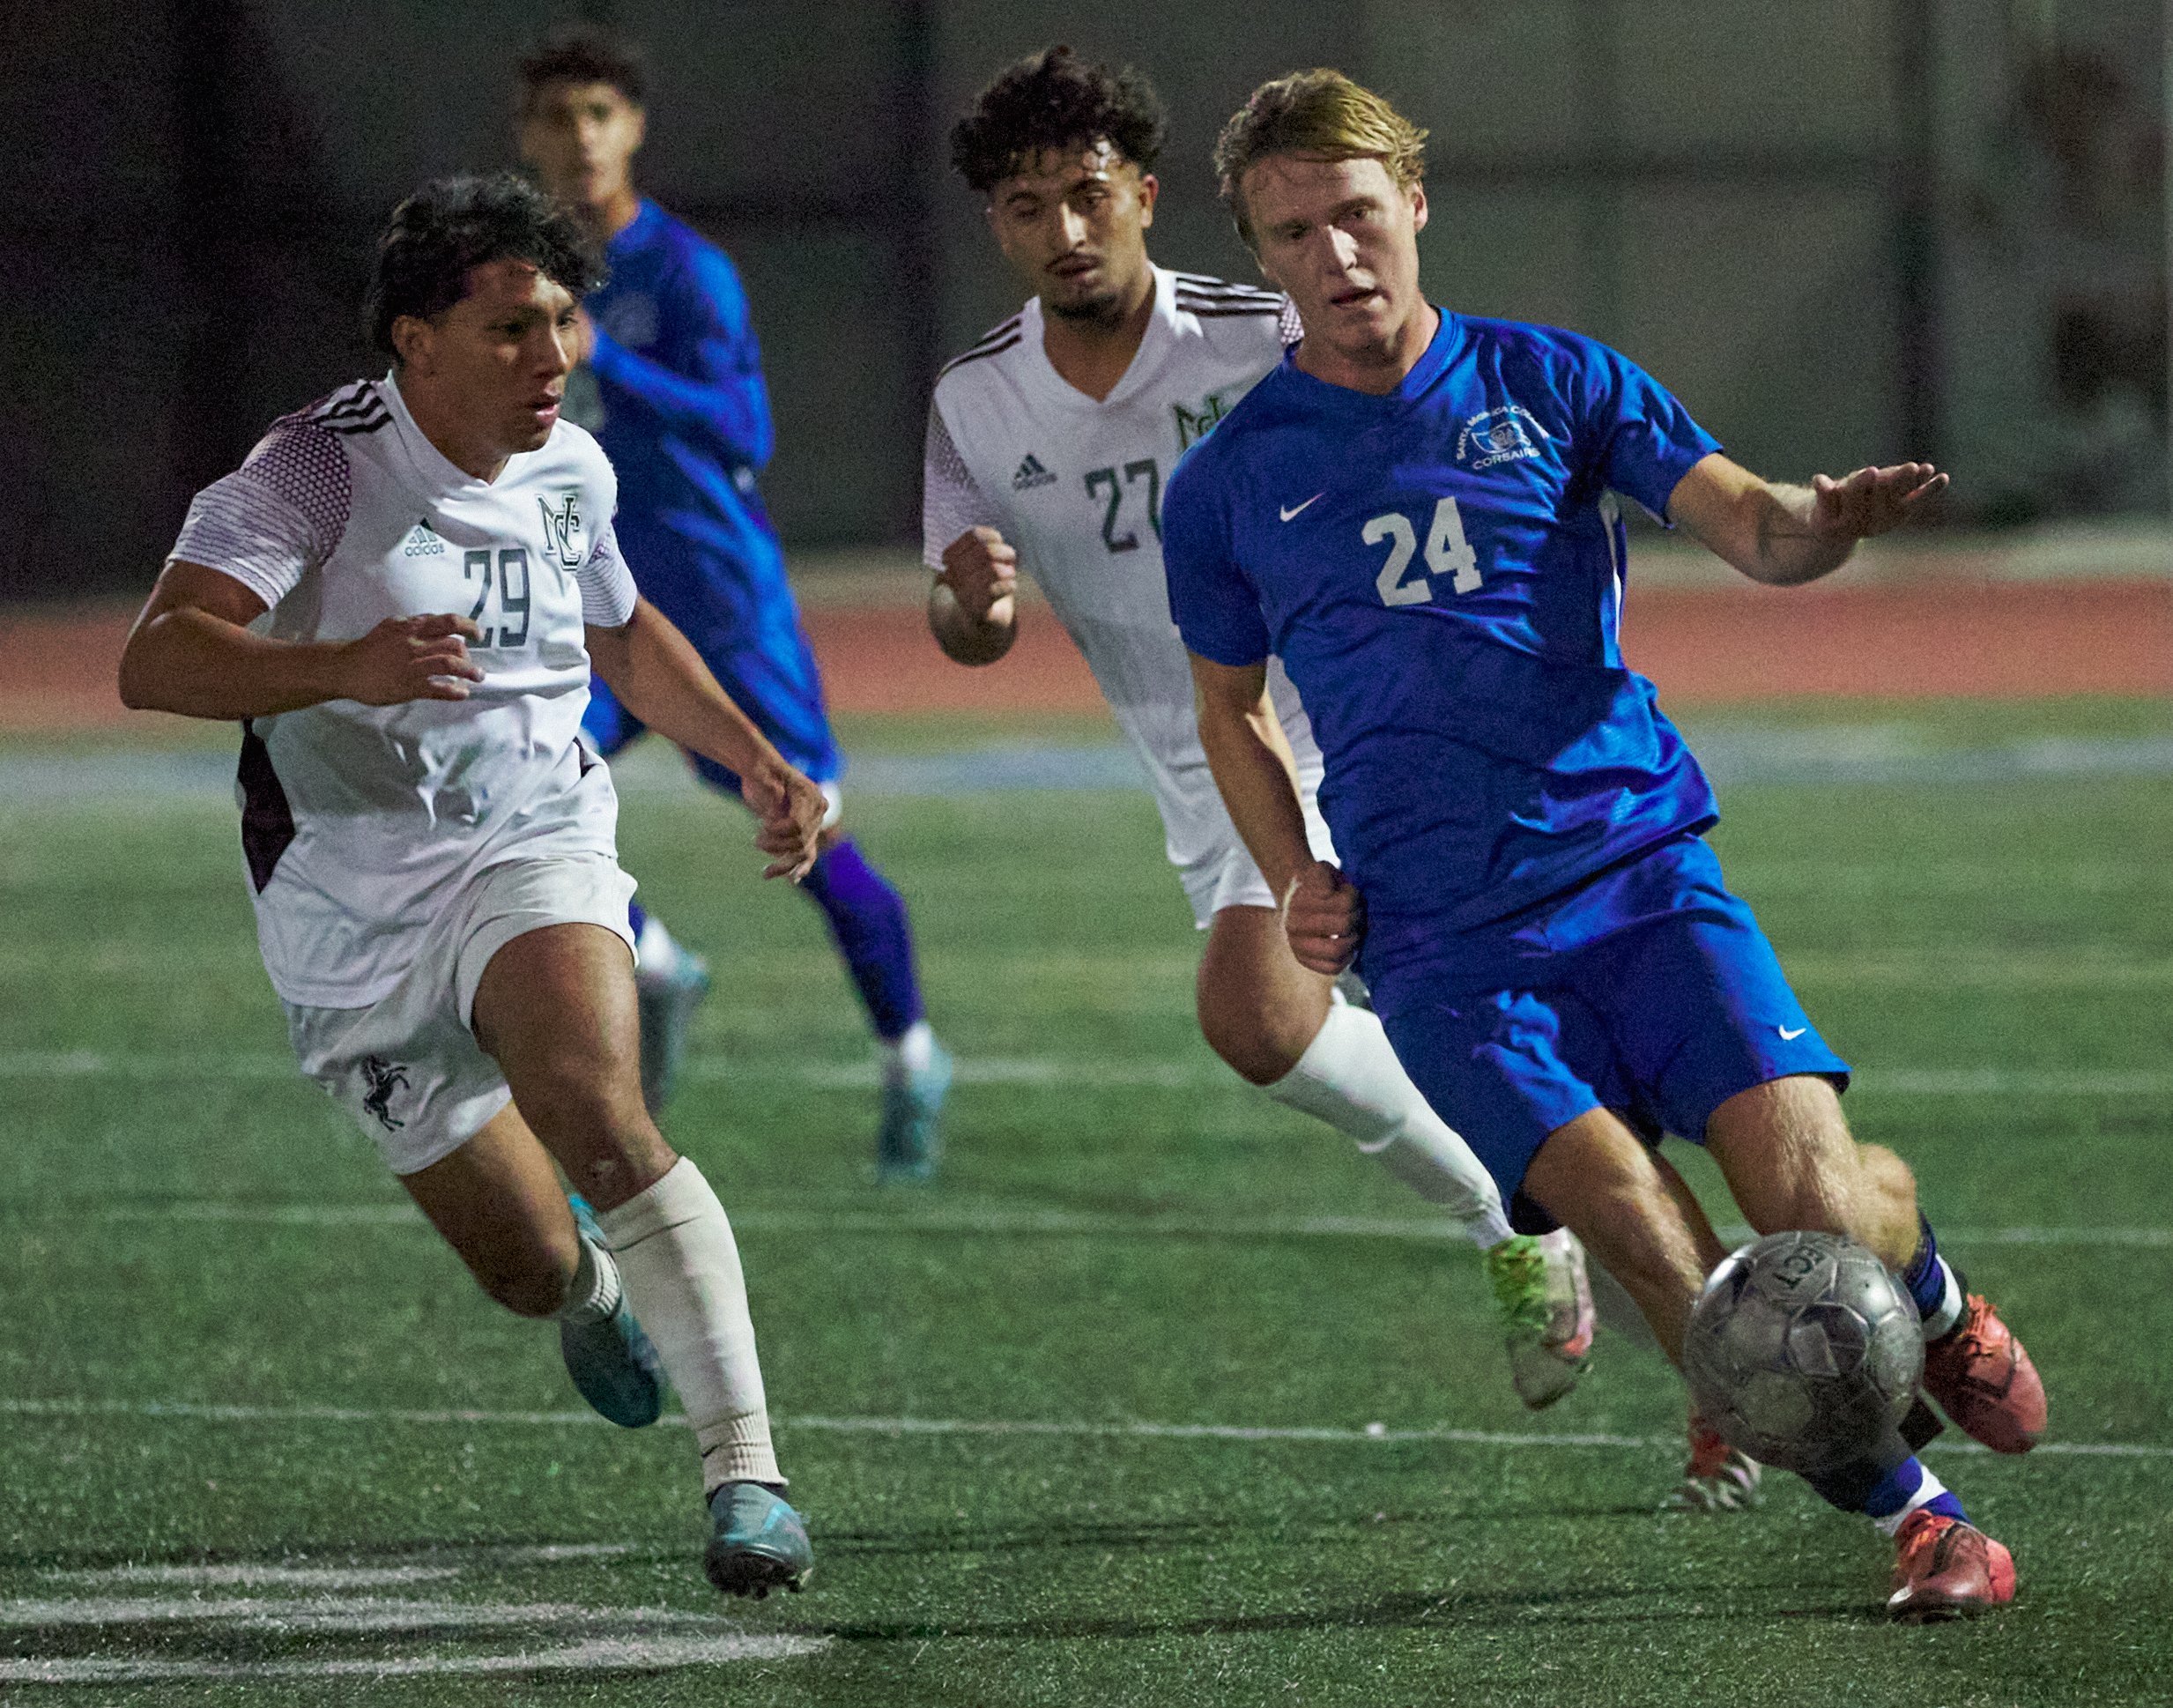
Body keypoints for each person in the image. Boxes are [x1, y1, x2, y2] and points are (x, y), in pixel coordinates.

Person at [1162, 70, 2047, 1618]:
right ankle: (1924, 1518)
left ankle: (1938, 1297)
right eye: (1293, 233)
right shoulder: (1233, 480)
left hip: (1640, 876)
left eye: (1357, 215)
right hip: (1442, 948)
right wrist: (1297, 869)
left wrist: (1818, 521)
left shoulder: (1555, 381)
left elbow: (1750, 525)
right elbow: (1226, 710)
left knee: (1821, 1211)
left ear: (1414, 206)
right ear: (1261, 253)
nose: (1336, 255)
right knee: (1669, 1259)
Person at [118, 173, 821, 1600]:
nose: (551, 357)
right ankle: (590, 1291)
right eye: (509, 329)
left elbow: (620, 639)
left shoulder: (574, 467)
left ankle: (746, 1470)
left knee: (599, 1108)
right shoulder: (310, 471)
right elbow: (159, 656)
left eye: (562, 319)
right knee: (522, 1262)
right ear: (413, 342)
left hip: (530, 837)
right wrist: (337, 666)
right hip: (348, 899)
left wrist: (754, 755)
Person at [923, 48, 1594, 1409]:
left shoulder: (1254, 329)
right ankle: (1559, 1217)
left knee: (1256, 1009)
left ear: (1145, 196)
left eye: (1084, 194)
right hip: (1197, 761)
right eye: (1022, 206)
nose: (1059, 230)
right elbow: (964, 625)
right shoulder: (973, 402)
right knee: (1435, 1033)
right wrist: (975, 610)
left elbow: (1413, 395)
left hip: (1347, 721)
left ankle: (1541, 1222)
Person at [515, 26, 950, 1175]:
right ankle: (654, 961)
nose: (579, 139)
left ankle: (908, 1052)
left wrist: (611, 358)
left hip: (714, 601)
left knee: (808, 831)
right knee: (511, 786)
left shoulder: (685, 273)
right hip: (586, 599)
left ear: (633, 129)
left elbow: (744, 430)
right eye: (557, 119)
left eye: (598, 115)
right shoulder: (512, 279)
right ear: (529, 138)